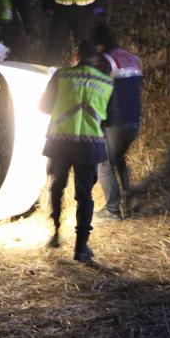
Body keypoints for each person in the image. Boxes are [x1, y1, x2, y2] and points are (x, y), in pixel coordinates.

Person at [40, 40, 114, 263]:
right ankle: (81, 248)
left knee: (57, 186)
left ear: (76, 55)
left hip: (60, 142)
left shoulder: (61, 76)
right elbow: (111, 118)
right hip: (89, 145)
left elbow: (43, 106)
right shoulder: (107, 83)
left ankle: (55, 232)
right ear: (96, 57)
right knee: (84, 195)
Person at [90, 23, 143, 220]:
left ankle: (112, 210)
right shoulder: (131, 57)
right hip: (134, 120)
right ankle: (131, 199)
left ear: (98, 43)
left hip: (116, 120)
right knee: (118, 158)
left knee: (103, 163)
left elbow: (99, 92)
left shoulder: (105, 60)